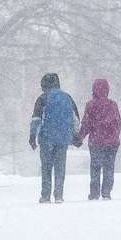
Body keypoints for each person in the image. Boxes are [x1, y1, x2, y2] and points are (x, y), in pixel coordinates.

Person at [29, 73, 79, 203]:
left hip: (46, 138)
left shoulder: (42, 98)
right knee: (60, 167)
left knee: (46, 167)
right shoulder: (67, 97)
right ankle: (58, 195)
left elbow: (36, 119)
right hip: (63, 138)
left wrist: (32, 136)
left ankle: (45, 195)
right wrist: (75, 135)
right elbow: (75, 119)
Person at [77, 78, 121, 200]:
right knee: (109, 167)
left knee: (95, 167)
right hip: (111, 143)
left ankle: (94, 192)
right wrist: (115, 136)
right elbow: (118, 122)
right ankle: (106, 192)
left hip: (96, 141)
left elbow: (86, 124)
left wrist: (79, 137)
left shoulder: (91, 105)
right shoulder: (113, 105)